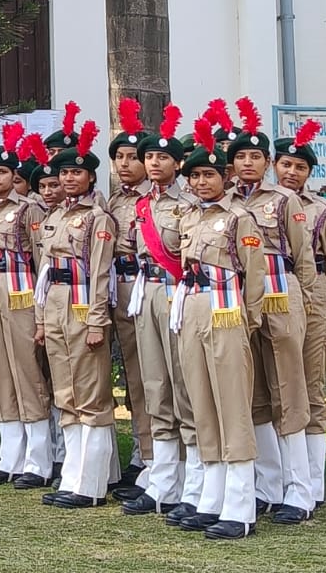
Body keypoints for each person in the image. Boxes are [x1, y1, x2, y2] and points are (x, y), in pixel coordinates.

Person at [226, 99, 317, 523]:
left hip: (280, 294)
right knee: (255, 393)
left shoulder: (283, 201)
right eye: (240, 156)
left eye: (255, 156)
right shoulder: (224, 203)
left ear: (267, 162)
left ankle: (300, 490)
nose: (247, 162)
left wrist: (307, 304)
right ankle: (267, 484)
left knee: (288, 390)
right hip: (238, 299)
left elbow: (303, 259)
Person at [174, 128, 266, 540]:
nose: (201, 183)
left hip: (227, 310)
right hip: (193, 305)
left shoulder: (239, 218)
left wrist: (250, 319)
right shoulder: (189, 216)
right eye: (194, 177)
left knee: (231, 403)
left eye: (208, 175)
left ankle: (241, 504)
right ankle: (211, 497)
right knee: (202, 402)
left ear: (224, 177)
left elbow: (255, 273)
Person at [35, 123, 119, 509]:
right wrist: (40, 319)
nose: (69, 178)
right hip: (54, 303)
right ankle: (72, 475)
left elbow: (101, 272)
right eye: (64, 172)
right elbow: (43, 269)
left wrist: (97, 321)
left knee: (90, 395)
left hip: (84, 305)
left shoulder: (98, 218)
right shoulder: (54, 216)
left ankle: (91, 483)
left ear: (90, 177)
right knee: (66, 393)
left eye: (76, 173)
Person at [273, 120, 326, 510]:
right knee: (276, 387)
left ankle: (312, 482)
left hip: (314, 294)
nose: (291, 172)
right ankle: (279, 478)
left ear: (309, 174)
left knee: (309, 386)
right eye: (286, 164)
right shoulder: (260, 204)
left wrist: (321, 303)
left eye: (300, 167)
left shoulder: (323, 211)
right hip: (274, 294)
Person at [0, 129, 52, 488]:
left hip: (20, 288)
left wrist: (42, 305)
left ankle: (39, 459)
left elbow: (41, 255)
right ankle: (10, 455)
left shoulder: (29, 208)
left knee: (26, 370)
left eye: (2, 172)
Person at [123, 109, 198, 519]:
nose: (153, 163)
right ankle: (163, 478)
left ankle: (193, 479)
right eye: (148, 157)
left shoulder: (188, 205)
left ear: (178, 164)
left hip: (178, 293)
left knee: (183, 383)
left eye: (162, 158)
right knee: (154, 383)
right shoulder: (140, 206)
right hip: (146, 292)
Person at [106, 100, 153, 495]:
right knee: (129, 375)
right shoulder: (114, 201)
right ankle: (140, 451)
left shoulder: (156, 201)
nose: (124, 165)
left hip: (147, 285)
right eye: (119, 157)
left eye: (132, 157)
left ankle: (150, 457)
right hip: (118, 289)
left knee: (147, 373)